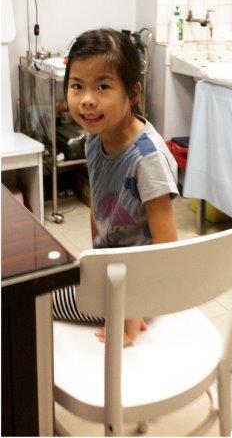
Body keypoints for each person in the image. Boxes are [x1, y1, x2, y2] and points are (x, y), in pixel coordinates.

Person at [52, 29, 179, 346]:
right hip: (111, 276)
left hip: (139, 290)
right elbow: (98, 210)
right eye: (77, 86)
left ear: (133, 93)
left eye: (103, 86)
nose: (87, 99)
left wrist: (131, 307)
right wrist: (94, 266)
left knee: (35, 296)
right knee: (37, 278)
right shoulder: (95, 139)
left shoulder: (147, 160)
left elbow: (169, 254)